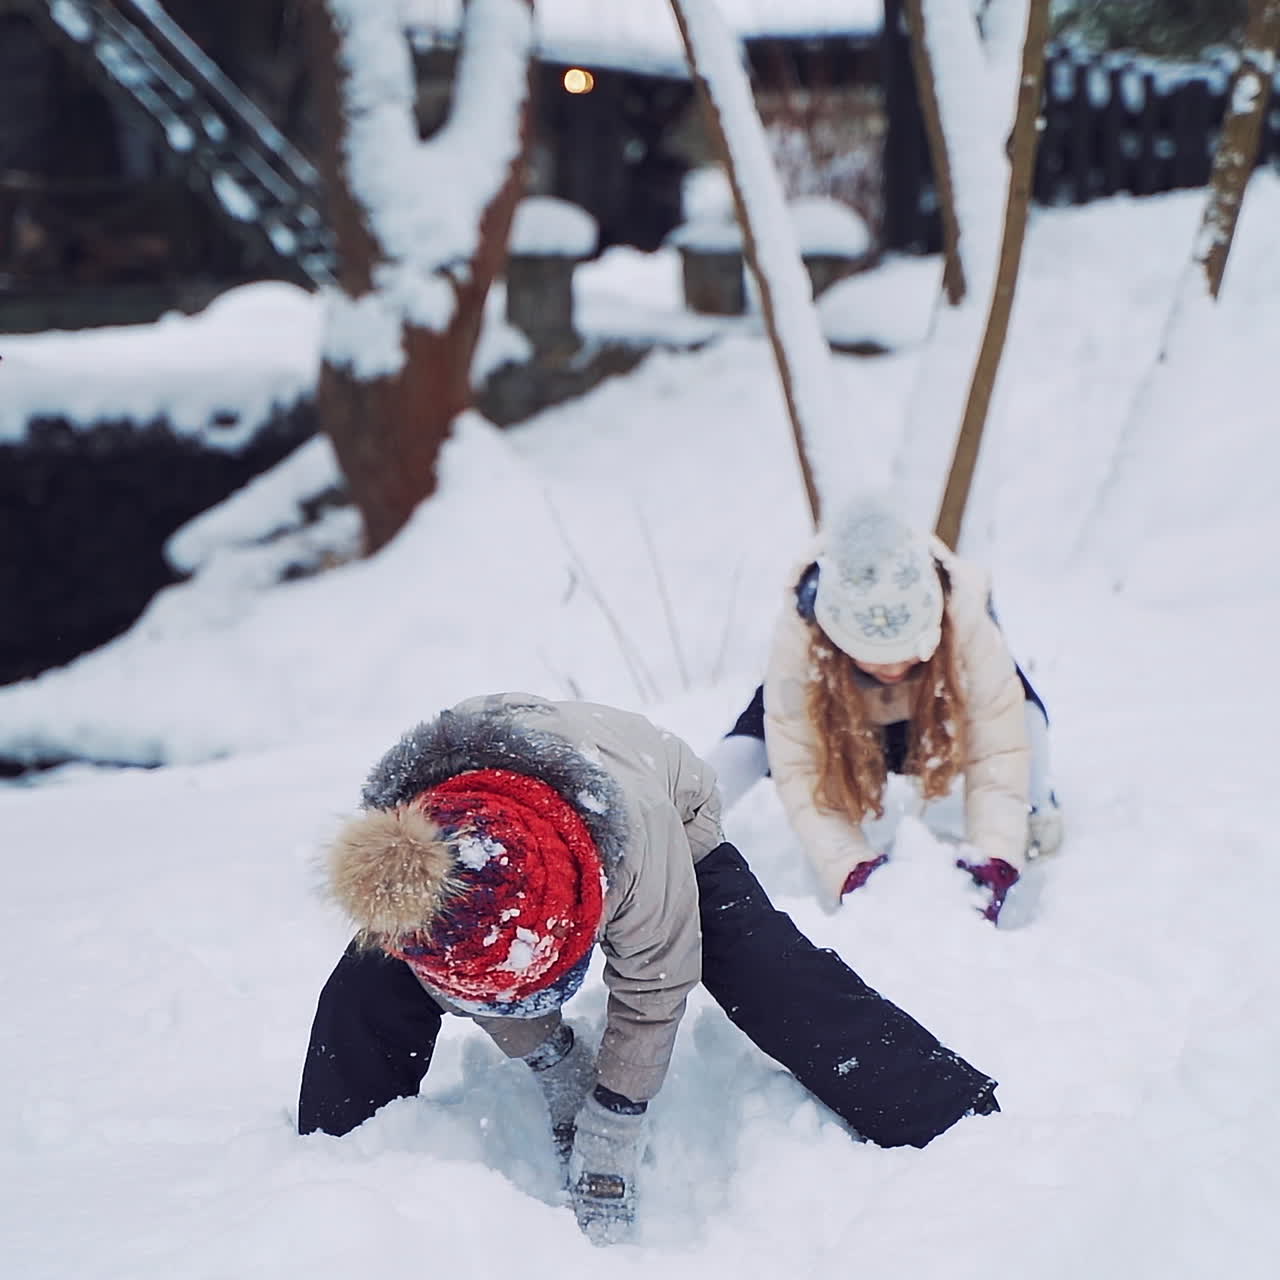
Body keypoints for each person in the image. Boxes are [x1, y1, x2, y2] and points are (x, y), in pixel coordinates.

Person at [298, 692, 1001, 1245]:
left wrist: (615, 1117)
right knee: (368, 986)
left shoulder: (634, 842)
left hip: (663, 807)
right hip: (481, 855)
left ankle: (947, 1114)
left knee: (761, 968)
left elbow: (656, 981)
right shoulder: (410, 870)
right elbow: (466, 973)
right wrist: (551, 1059)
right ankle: (334, 1173)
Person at [707, 495, 1064, 924]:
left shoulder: (961, 607)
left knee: (1017, 702)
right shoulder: (804, 628)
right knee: (766, 721)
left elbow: (997, 746)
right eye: (874, 655)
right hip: (847, 713)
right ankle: (686, 817)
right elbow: (799, 768)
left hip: (937, 707)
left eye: (906, 652)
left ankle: (1038, 803)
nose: (893, 668)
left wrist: (993, 857)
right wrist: (851, 870)